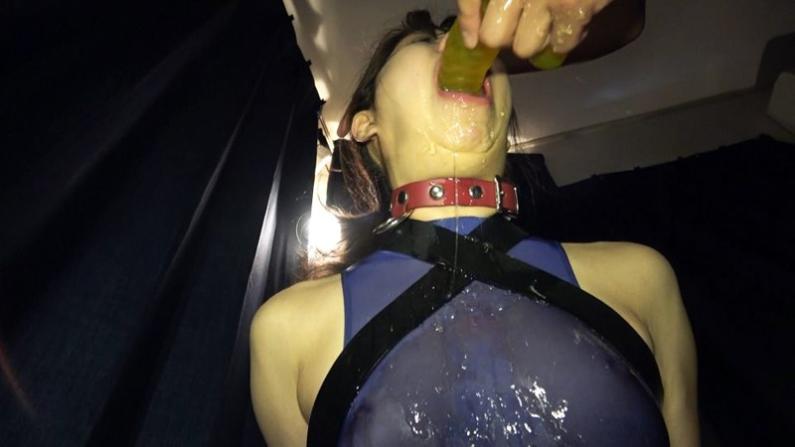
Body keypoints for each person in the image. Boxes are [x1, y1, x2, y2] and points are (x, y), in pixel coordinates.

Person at [250, 1, 699, 446]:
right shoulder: (286, 332)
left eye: (456, 33)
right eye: (425, 40)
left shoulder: (641, 279)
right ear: (367, 124)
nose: (455, 41)